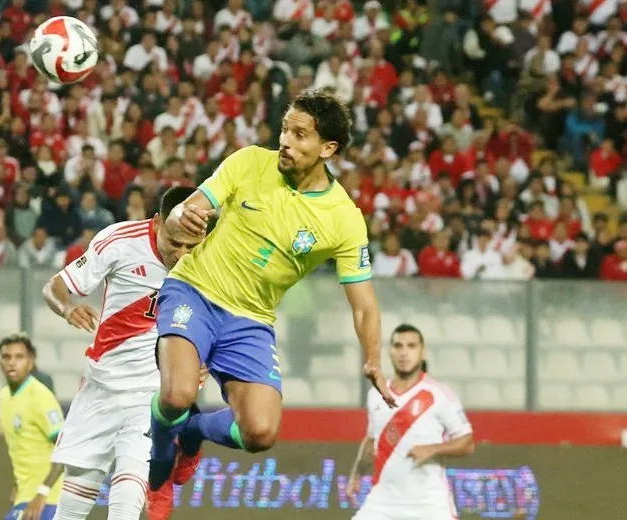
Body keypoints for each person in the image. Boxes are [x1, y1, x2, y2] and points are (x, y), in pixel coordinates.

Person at [147, 88, 396, 519]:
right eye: (285, 129)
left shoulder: (343, 218)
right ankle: (157, 473)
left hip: (251, 320)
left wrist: (373, 358)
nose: (286, 140)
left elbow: (364, 305)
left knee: (260, 432)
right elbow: (185, 210)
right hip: (194, 291)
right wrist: (180, 217)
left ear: (327, 148)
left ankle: (191, 433)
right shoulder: (248, 162)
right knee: (177, 392)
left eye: (301, 135)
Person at [41, 186, 207, 520]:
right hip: (101, 386)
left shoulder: (210, 258)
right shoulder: (119, 241)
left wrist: (206, 360)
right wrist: (68, 307)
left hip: (151, 392)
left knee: (129, 492)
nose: (182, 255)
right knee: (73, 504)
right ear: (158, 222)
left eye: (191, 246)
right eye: (175, 243)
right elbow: (53, 287)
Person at [346, 324, 475, 520]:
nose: (404, 353)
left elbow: (467, 443)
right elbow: (372, 440)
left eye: (411, 346)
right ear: (390, 352)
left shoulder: (439, 394)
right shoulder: (376, 394)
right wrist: (356, 474)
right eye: (398, 346)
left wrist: (432, 449)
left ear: (422, 353)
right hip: (382, 502)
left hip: (428, 505)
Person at [0, 334, 65, 520]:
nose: (12, 363)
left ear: (30, 362)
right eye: (7, 357)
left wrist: (42, 493)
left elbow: (65, 448)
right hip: (25, 497)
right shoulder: (4, 396)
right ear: (0, 362)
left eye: (19, 357)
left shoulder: (40, 397)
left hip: (48, 499)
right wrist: (18, 484)